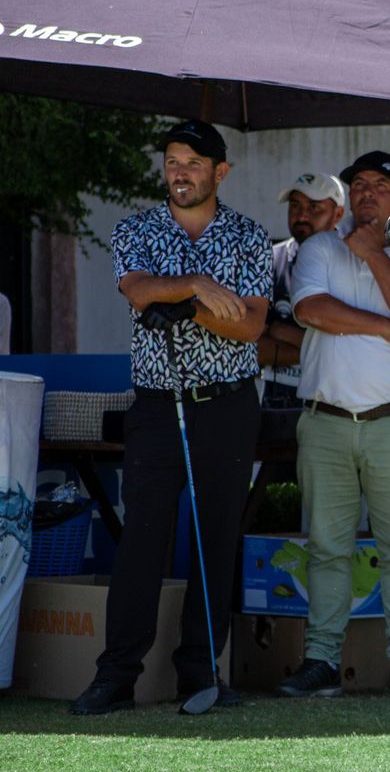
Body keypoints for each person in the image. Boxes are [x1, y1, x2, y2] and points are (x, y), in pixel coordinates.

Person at [71, 119, 271, 715]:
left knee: (215, 543)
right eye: (172, 161)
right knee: (142, 543)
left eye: (193, 161)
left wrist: (177, 302)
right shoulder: (135, 229)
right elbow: (137, 292)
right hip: (159, 410)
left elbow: (252, 325)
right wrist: (200, 288)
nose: (180, 171)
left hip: (229, 405)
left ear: (220, 172)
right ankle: (116, 676)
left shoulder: (249, 236)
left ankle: (199, 674)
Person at [275, 150, 390, 700]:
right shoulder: (320, 247)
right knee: (326, 547)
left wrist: (376, 255)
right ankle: (321, 660)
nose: (367, 192)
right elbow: (312, 311)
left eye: (381, 184)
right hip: (325, 422)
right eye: (359, 184)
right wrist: (384, 327)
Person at [257, 173, 346, 409]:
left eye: (315, 207)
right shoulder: (270, 260)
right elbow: (255, 348)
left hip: (336, 408)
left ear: (338, 214)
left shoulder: (355, 263)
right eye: (295, 206)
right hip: (277, 407)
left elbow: (353, 349)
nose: (302, 215)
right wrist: (324, 350)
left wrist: (279, 331)